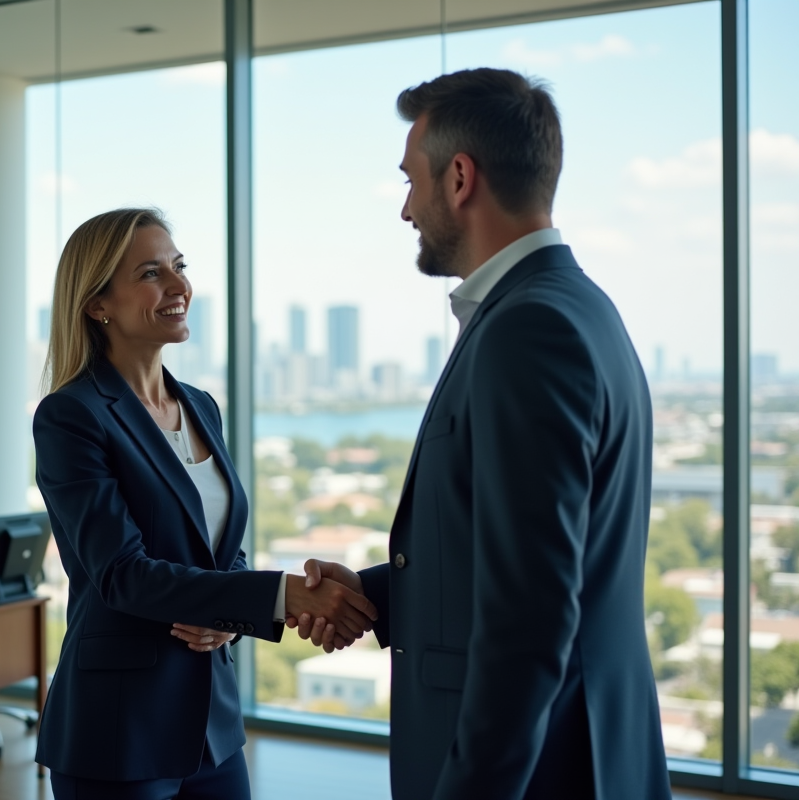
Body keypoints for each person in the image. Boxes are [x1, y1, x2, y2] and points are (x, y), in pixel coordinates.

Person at [291, 69, 672, 799]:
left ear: (460, 177)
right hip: (586, 745)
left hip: (541, 769)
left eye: (411, 179)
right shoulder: (581, 307)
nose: (405, 208)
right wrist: (376, 594)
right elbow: (524, 556)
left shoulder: (527, 330)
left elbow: (529, 621)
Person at [33, 207, 377, 799]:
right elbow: (123, 575)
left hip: (213, 725)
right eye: (150, 273)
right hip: (120, 726)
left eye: (179, 266)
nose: (178, 286)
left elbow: (221, 551)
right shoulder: (72, 416)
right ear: (98, 304)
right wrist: (276, 596)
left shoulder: (201, 407)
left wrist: (233, 617)